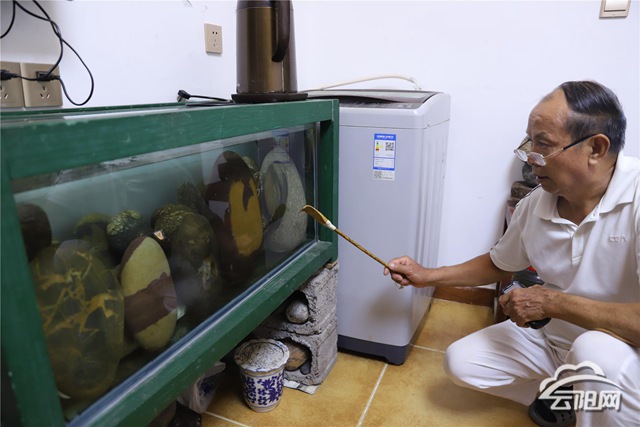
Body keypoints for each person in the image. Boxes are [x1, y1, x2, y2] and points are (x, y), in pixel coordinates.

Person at [384, 80, 639, 427]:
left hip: (625, 355)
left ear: (595, 148)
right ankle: (573, 398)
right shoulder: (536, 205)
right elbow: (497, 263)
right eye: (529, 142)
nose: (531, 157)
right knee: (462, 361)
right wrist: (427, 275)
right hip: (556, 344)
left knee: (595, 353)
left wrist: (552, 303)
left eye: (543, 144)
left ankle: (602, 403)